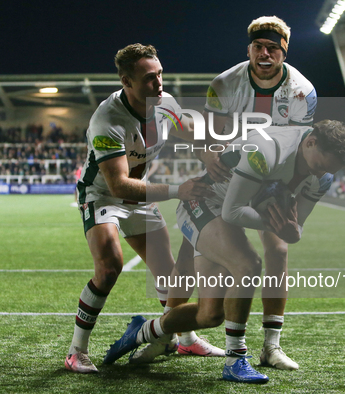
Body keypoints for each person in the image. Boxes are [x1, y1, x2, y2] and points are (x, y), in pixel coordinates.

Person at [105, 120, 345, 384]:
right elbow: (232, 211)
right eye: (318, 166)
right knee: (248, 264)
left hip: (226, 214)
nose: (319, 175)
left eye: (327, 171)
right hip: (203, 202)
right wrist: (276, 225)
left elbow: (297, 227)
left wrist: (290, 231)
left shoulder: (324, 174)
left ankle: (144, 331)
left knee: (210, 315)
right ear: (310, 143)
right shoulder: (267, 150)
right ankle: (235, 359)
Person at [135, 15, 318, 368]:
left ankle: (271, 345)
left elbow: (298, 147)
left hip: (274, 180)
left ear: (284, 51)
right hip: (226, 177)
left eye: (272, 49)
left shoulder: (302, 92)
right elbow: (214, 137)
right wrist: (207, 150)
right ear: (249, 49)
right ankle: (176, 336)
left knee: (278, 247)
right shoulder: (224, 84)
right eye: (258, 47)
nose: (264, 54)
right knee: (190, 250)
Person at [64, 43, 216, 373]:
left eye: (160, 74)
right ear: (126, 82)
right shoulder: (107, 120)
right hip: (102, 196)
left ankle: (186, 338)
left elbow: (193, 136)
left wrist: (218, 161)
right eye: (150, 78)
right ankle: (76, 351)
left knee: (170, 275)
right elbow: (118, 185)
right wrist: (179, 189)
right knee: (109, 266)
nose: (159, 83)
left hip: (140, 196)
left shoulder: (166, 103)